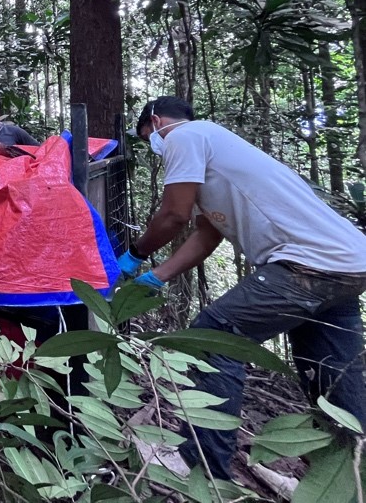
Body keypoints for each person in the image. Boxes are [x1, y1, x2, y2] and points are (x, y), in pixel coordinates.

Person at [118, 95, 366, 480]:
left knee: (212, 336)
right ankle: (351, 471)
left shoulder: (185, 136)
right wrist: (158, 275)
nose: (154, 146)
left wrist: (133, 254)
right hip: (350, 265)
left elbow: (173, 214)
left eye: (148, 136)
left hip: (305, 265)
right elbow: (206, 234)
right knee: (331, 374)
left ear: (155, 121)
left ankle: (200, 465)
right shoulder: (217, 149)